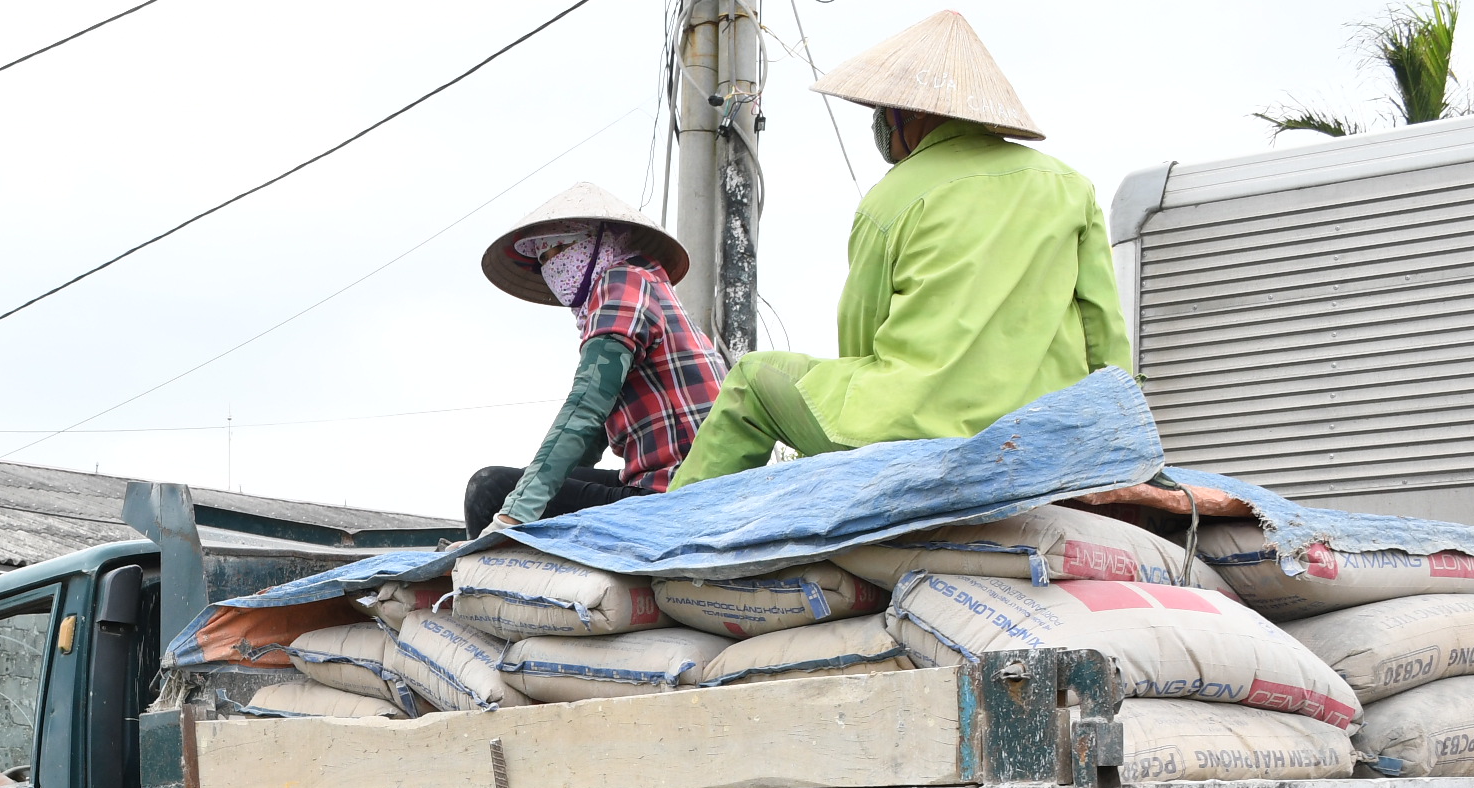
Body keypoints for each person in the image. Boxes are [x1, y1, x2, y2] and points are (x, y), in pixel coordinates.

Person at [670, 9, 1130, 488]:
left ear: (911, 114)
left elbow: (861, 337)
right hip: (1045, 433)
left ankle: (668, 529)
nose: (881, 125)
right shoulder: (1072, 188)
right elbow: (1106, 337)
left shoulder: (891, 199)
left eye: (884, 112)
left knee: (749, 380)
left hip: (914, 425)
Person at [464, 183, 721, 537]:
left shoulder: (621, 283)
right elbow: (589, 436)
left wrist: (516, 513)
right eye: (542, 260)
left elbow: (585, 407)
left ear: (600, 242)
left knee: (490, 489)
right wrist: (551, 488)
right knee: (536, 484)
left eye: (559, 249)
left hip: (671, 496)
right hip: (682, 486)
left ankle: (486, 582)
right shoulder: (650, 286)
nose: (551, 266)